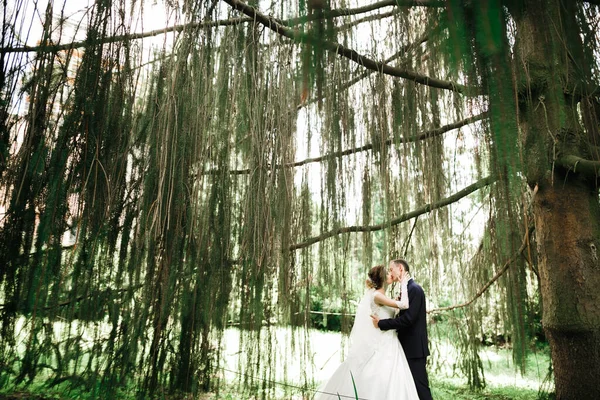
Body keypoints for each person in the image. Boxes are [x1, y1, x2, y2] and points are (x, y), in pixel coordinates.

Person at [314, 265, 419, 400]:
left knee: (393, 377)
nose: (390, 275)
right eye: (388, 273)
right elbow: (404, 305)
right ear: (382, 278)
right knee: (379, 375)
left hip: (390, 340)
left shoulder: (382, 295)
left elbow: (394, 309)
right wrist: (404, 283)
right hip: (382, 341)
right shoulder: (377, 296)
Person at [371, 259, 433, 400]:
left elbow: (408, 319)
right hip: (405, 346)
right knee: (409, 389)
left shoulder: (414, 289)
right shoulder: (407, 289)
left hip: (414, 349)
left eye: (391, 269)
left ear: (400, 268)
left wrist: (382, 324)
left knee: (420, 388)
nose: (390, 273)